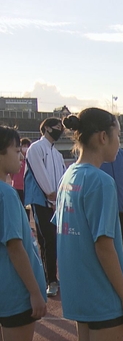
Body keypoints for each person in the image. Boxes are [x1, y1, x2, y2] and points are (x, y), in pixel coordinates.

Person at [52, 108, 123, 341]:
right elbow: (104, 246)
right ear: (103, 137)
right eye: (118, 136)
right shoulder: (102, 182)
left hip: (79, 294)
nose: (119, 143)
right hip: (102, 296)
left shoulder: (69, 177)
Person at [0, 125, 47, 341]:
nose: (21, 156)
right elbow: (15, 247)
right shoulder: (6, 194)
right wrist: (34, 292)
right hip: (14, 293)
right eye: (17, 150)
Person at [24, 118, 67, 297]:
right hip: (41, 200)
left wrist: (60, 195)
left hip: (55, 202)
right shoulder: (36, 148)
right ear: (47, 128)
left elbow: (63, 175)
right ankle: (50, 280)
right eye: (57, 127)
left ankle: (49, 277)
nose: (59, 130)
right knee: (47, 239)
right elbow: (39, 172)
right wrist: (50, 192)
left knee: (50, 240)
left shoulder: (57, 154)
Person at [100, 148, 123, 292]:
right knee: (103, 245)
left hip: (121, 207)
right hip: (104, 208)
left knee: (121, 244)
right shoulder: (98, 155)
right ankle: (105, 280)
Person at [10, 137, 32, 221]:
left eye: (27, 146)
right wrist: (14, 180)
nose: (25, 147)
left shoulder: (30, 160)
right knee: (17, 208)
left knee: (27, 209)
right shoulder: (16, 159)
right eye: (23, 145)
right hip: (16, 187)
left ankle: (27, 224)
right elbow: (11, 173)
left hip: (26, 188)